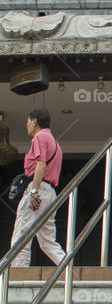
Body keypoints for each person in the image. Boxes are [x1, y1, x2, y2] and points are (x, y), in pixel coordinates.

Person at [9, 107, 65, 268]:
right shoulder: (54, 141)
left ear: (34, 122)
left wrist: (34, 191)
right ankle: (69, 270)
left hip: (38, 190)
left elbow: (41, 163)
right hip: (49, 192)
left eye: (28, 122)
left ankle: (18, 277)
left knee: (21, 234)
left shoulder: (40, 137)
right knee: (48, 241)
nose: (27, 126)